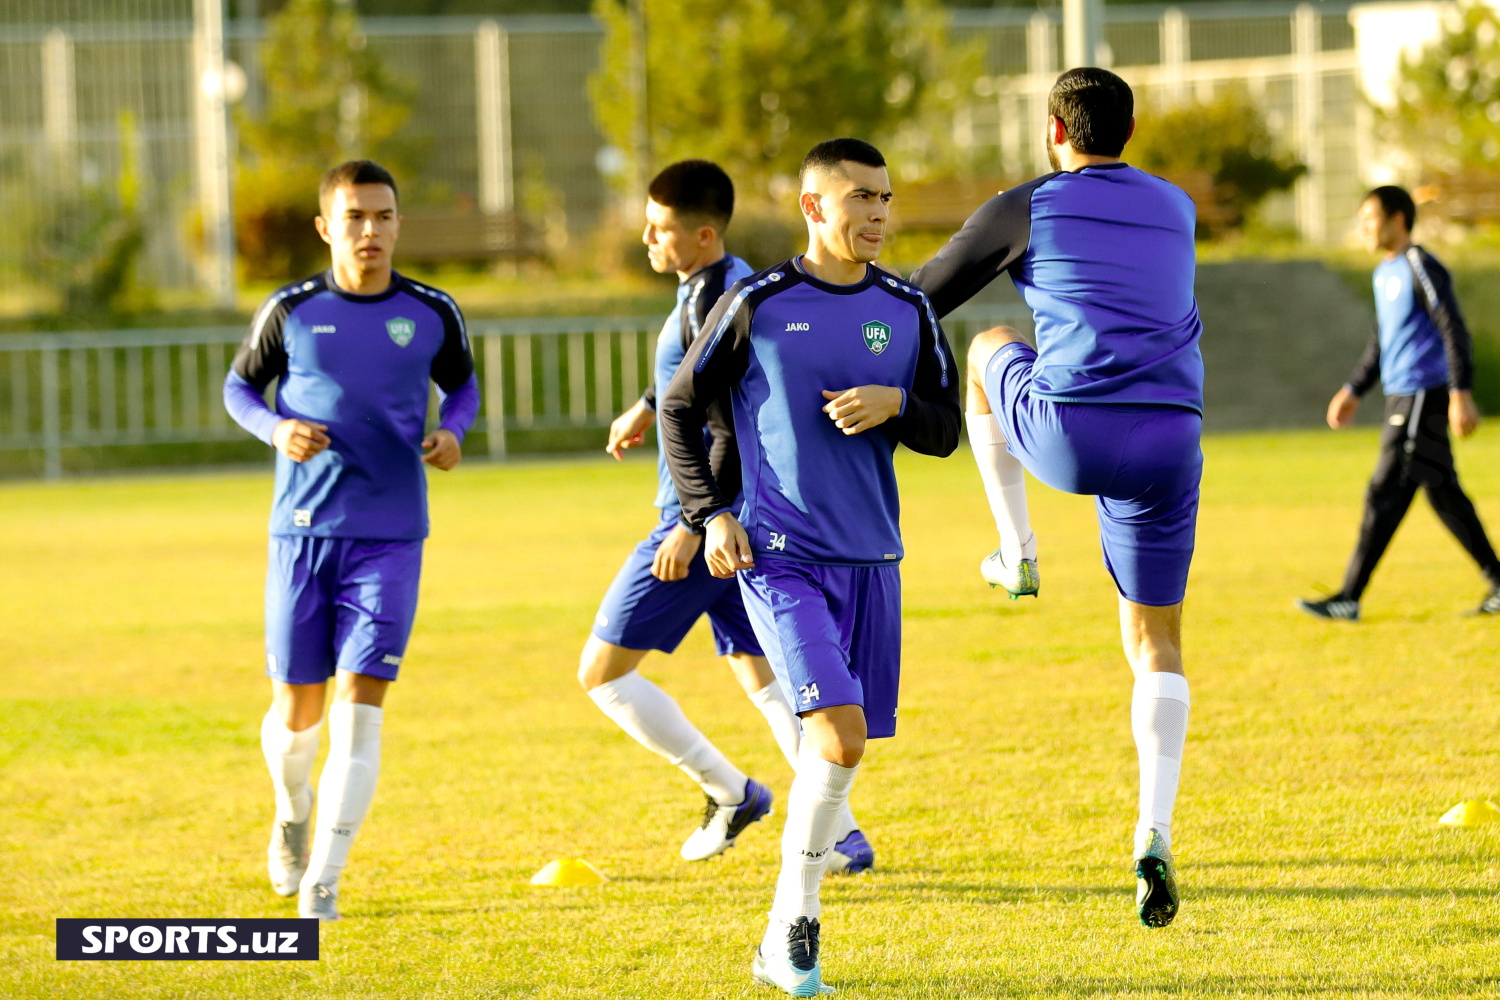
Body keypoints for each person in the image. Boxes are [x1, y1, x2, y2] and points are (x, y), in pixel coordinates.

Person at [659, 138, 960, 996]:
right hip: (779, 556)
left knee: (844, 751)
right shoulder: (758, 300)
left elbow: (945, 428)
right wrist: (708, 515)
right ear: (812, 207)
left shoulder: (906, 309)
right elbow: (681, 407)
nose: (876, 213)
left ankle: (780, 938)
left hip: (873, 558)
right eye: (860, 196)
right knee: (838, 736)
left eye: (885, 198)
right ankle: (795, 932)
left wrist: (900, 404)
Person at [912, 67, 1201, 929]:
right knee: (1156, 640)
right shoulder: (1178, 206)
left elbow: (925, 294)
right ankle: (1153, 833)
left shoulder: (1024, 204)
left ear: (1052, 131)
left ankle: (1018, 551)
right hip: (1171, 437)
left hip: (1073, 433)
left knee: (991, 341)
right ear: (1132, 128)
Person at [579, 159, 872, 871]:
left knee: (602, 674)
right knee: (762, 678)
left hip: (708, 520)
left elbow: (732, 425)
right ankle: (842, 836)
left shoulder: (724, 295)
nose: (647, 239)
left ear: (703, 234)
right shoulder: (712, 283)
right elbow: (697, 380)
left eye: (659, 229)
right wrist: (647, 407)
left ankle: (731, 792)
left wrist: (692, 521)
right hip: (729, 518)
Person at [223, 159, 479, 921]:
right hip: (302, 535)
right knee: (298, 716)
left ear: (399, 223)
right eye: (356, 217)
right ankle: (291, 809)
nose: (371, 231)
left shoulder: (432, 310)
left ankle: (324, 879)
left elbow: (461, 384)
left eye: (384, 216)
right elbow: (239, 387)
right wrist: (276, 427)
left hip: (393, 535)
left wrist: (454, 431)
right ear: (326, 227)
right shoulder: (291, 308)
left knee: (360, 707)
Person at [1298, 185, 1500, 621]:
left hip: (1421, 397)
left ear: (1397, 220)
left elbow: (1453, 328)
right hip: (1400, 395)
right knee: (1444, 496)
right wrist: (1353, 390)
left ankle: (1348, 597)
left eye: (1371, 218)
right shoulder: (1382, 274)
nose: (1365, 228)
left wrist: (1460, 395)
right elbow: (1381, 344)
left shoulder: (1419, 266)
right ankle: (1499, 583)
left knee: (1383, 495)